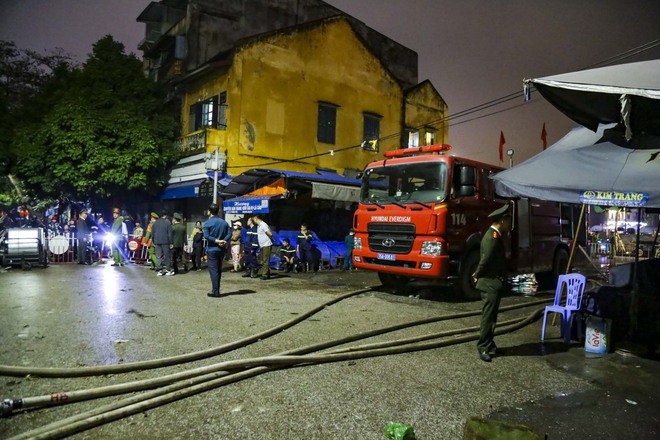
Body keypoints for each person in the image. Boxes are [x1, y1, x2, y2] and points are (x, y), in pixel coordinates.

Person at [472, 204, 512, 362]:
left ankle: (489, 343)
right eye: (508, 220)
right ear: (502, 221)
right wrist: (477, 274)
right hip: (489, 284)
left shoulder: (494, 236)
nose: (509, 224)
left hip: (493, 283)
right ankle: (483, 346)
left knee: (492, 316)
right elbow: (485, 260)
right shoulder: (492, 238)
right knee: (488, 317)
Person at [203, 203, 231, 297]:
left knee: (213, 270)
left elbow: (206, 236)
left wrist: (216, 240)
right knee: (219, 269)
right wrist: (224, 240)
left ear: (209, 211)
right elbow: (229, 233)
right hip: (221, 249)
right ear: (218, 211)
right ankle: (216, 289)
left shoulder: (207, 223)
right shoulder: (224, 222)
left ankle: (215, 291)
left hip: (212, 248)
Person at [152, 210, 174, 276]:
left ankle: (160, 270)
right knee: (167, 256)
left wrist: (154, 241)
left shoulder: (155, 223)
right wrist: (171, 242)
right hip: (166, 242)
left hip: (157, 242)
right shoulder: (167, 223)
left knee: (158, 256)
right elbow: (170, 234)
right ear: (164, 215)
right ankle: (168, 270)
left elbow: (152, 234)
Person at [252, 214, 274, 280]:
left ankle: (265, 275)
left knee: (265, 260)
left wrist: (269, 239)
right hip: (262, 245)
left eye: (253, 219)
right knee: (262, 260)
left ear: (256, 218)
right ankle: (267, 273)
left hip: (266, 245)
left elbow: (270, 233)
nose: (253, 221)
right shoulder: (259, 226)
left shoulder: (263, 225)